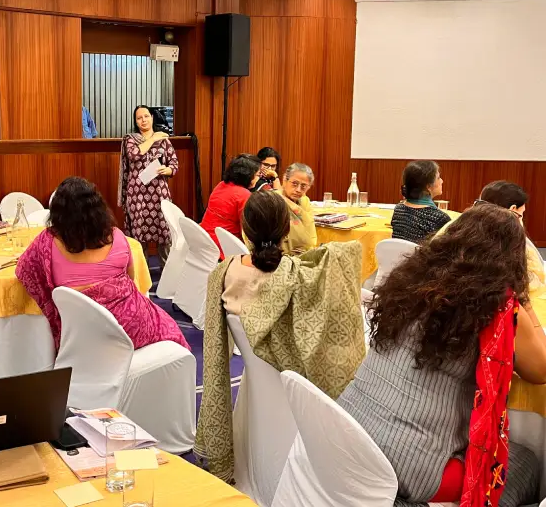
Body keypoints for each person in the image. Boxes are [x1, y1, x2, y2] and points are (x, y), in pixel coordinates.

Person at [338, 204, 544, 507]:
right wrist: (524, 303)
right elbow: (540, 369)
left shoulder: (410, 276)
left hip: (345, 432)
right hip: (409, 467)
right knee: (524, 462)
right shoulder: (498, 306)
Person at [195, 191, 365, 481]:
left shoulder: (224, 274)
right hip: (296, 389)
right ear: (286, 230)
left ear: (245, 229)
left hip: (256, 379)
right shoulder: (302, 277)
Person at [17, 177, 189, 352]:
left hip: (84, 334)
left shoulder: (46, 242)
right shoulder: (117, 236)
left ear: (57, 213)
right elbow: (131, 280)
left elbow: (24, 269)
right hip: (132, 328)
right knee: (170, 328)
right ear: (98, 208)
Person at [118, 105, 178, 264]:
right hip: (137, 194)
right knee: (139, 236)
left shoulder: (163, 140)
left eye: (146, 116)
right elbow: (134, 155)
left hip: (159, 193)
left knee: (164, 233)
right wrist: (152, 139)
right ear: (135, 122)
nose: (143, 120)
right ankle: (141, 273)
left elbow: (174, 163)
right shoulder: (130, 139)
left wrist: (168, 170)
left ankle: (167, 272)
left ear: (152, 117)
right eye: (139, 118)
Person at [200, 154, 261, 259]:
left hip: (204, 241)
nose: (258, 178)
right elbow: (247, 232)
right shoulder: (244, 195)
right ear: (248, 176)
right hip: (223, 249)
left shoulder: (221, 185)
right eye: (258, 175)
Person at [391, 160, 451, 244]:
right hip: (421, 253)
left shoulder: (399, 209)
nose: (442, 181)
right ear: (428, 186)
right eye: (438, 178)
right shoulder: (440, 218)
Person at [276, 162, 317, 255]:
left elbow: (310, 233)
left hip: (304, 253)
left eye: (303, 186)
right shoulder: (273, 200)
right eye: (294, 184)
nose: (298, 190)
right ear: (285, 180)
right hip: (279, 255)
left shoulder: (305, 201)